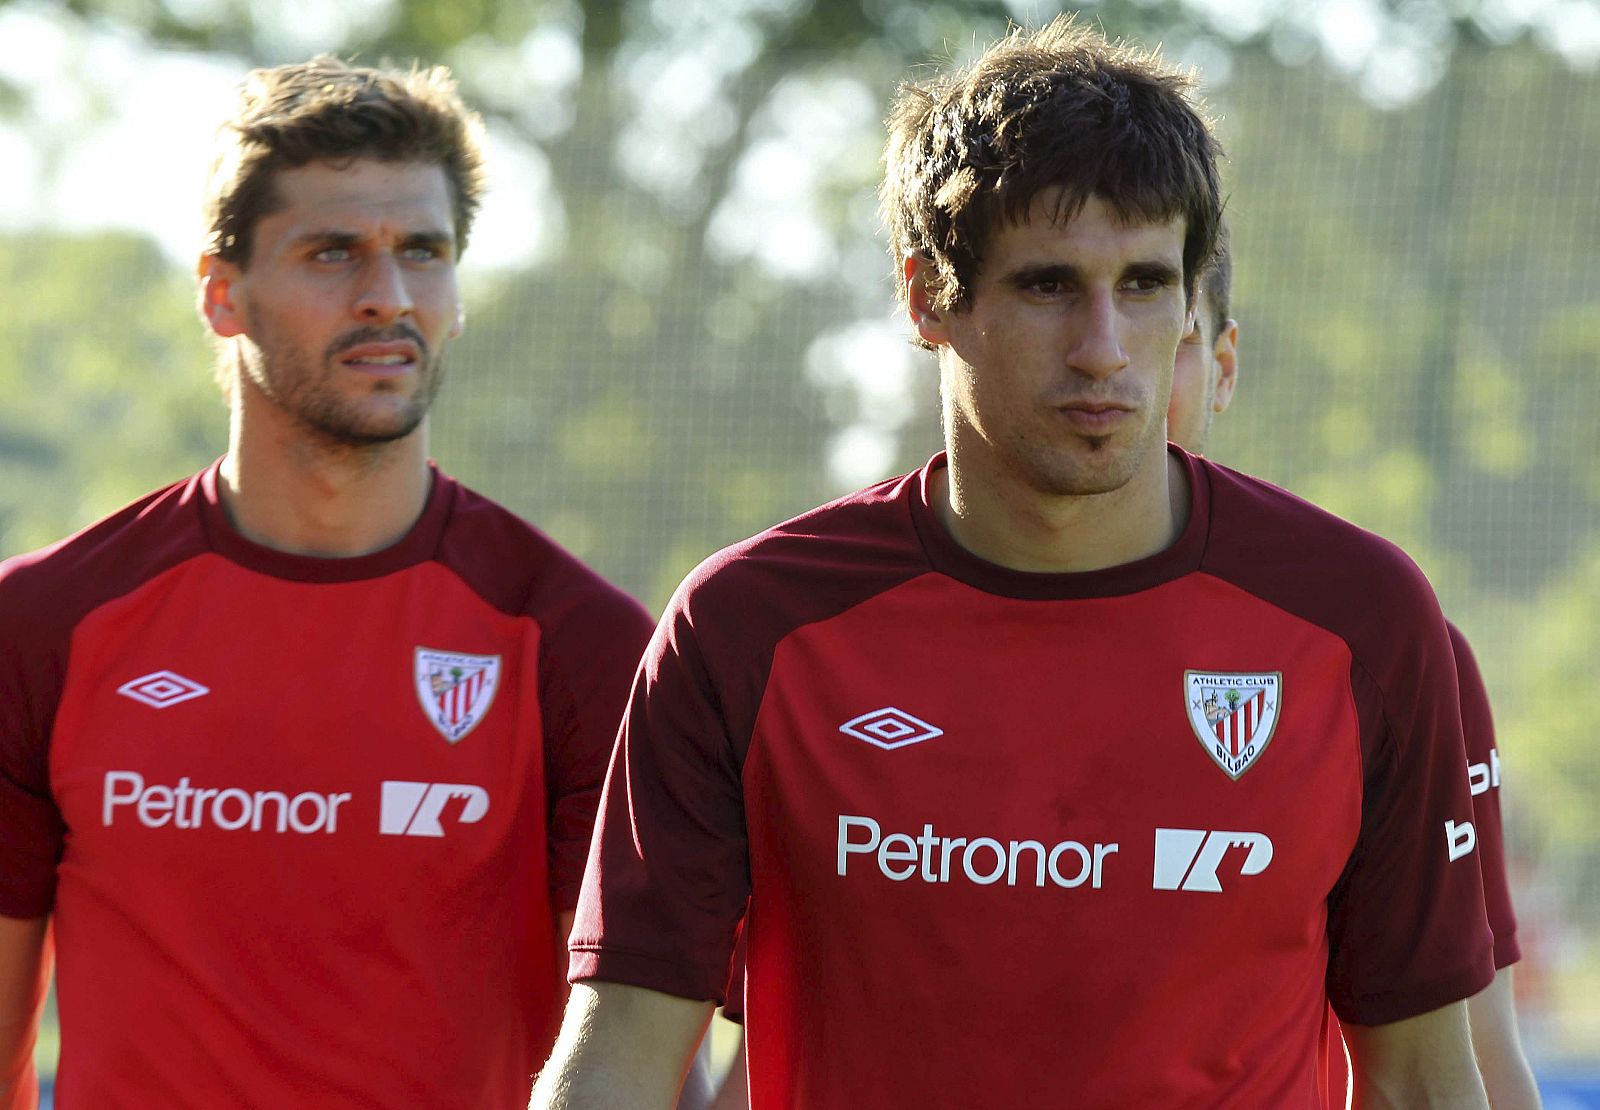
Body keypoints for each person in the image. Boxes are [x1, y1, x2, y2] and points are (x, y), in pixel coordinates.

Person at [533, 17, 1495, 1108]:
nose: (1104, 348)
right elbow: (621, 1053)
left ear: (1192, 298)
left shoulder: (1357, 619)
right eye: (1047, 286)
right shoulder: (750, 626)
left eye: (1143, 284)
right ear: (925, 297)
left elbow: (1423, 1080)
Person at [0, 58, 655, 1108]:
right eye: (332, 252)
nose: (386, 297)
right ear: (222, 293)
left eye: (423, 254)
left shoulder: (579, 643)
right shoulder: (43, 623)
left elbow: (648, 1046)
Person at [1168, 225, 1543, 1109]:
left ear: (1226, 365)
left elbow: (1477, 1056)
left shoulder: (1388, 647)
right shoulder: (844, 630)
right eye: (1053, 292)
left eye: (1175, 336)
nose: (1122, 362)